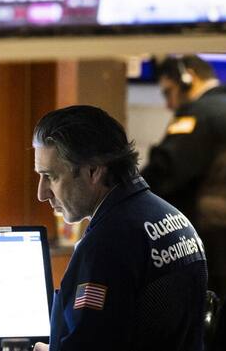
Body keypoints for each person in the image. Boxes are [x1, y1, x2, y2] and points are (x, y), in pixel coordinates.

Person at [32, 105, 207, 351]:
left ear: (93, 171)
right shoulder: (173, 217)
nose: (41, 193)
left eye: (51, 176)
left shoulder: (108, 243)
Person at [141, 55, 226, 299]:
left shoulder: (201, 113)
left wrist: (127, 194)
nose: (168, 104)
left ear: (189, 78)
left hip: (213, 238)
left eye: (168, 92)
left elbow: (166, 168)